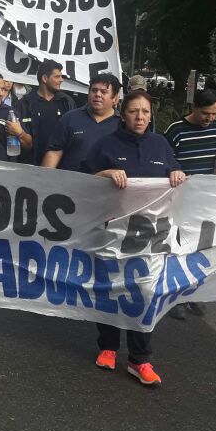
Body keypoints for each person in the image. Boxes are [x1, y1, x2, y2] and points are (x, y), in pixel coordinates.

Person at [82, 90, 186, 385]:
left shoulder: (160, 145)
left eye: (145, 112)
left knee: (146, 293)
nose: (140, 117)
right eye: (133, 112)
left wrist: (177, 173)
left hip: (149, 238)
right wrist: (105, 174)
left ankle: (140, 359)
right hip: (112, 233)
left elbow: (174, 174)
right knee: (111, 289)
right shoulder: (106, 145)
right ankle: (108, 347)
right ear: (122, 114)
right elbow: (81, 182)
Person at [162, 87, 216, 318]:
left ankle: (195, 294)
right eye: (205, 114)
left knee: (201, 248)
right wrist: (175, 170)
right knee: (178, 247)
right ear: (194, 108)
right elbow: (164, 157)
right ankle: (176, 298)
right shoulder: (175, 130)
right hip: (181, 199)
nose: (210, 119)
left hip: (207, 200)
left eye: (214, 114)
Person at [42, 72, 121, 171]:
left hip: (107, 184)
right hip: (70, 182)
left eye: (103, 92)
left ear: (115, 98)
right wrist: (43, 180)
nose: (97, 95)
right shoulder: (70, 118)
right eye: (94, 90)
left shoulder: (122, 124)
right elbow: (54, 152)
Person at [15, 60, 76, 166]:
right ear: (44, 78)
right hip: (31, 168)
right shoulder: (24, 104)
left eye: (61, 77)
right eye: (57, 77)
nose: (61, 80)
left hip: (63, 168)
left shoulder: (67, 102)